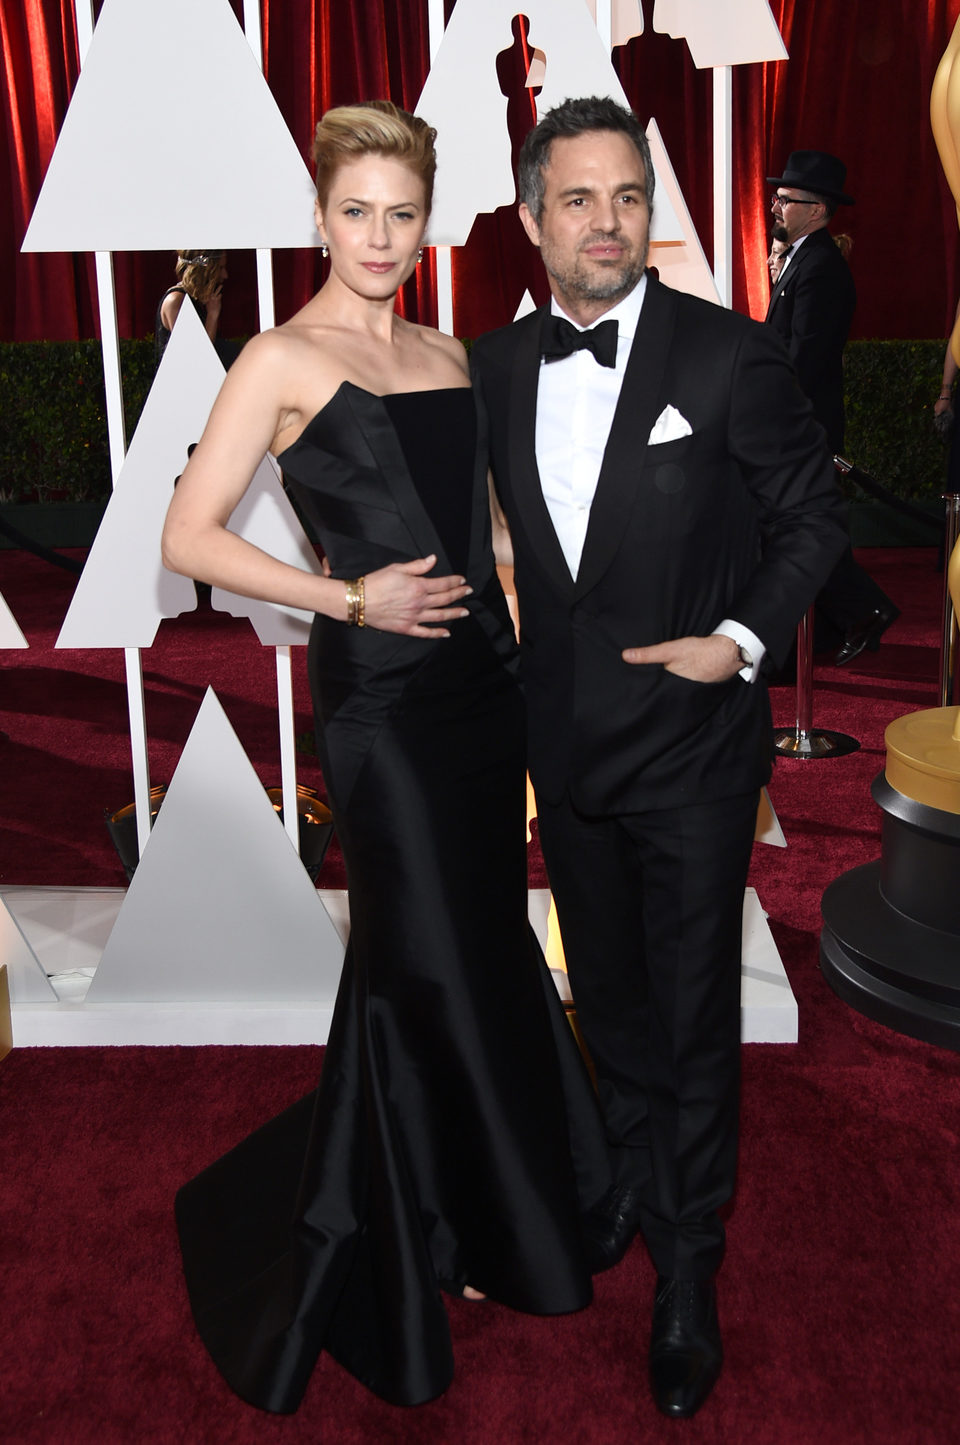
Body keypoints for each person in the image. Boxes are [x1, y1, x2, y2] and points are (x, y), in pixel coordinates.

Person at [161, 101, 611, 1414]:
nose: (377, 234)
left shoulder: (443, 348)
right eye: (354, 210)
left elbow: (482, 527)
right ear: (318, 216)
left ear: (430, 220)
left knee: (473, 945)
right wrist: (344, 598)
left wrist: (524, 601)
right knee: (422, 958)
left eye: (400, 213)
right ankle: (435, 1232)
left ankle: (480, 1203)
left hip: (485, 695)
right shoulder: (278, 360)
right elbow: (192, 535)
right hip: (382, 712)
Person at [471, 97, 847, 1419]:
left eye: (627, 194)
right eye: (577, 198)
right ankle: (625, 1181)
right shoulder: (500, 366)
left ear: (652, 207)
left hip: (692, 755)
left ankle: (691, 1269)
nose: (606, 220)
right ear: (532, 218)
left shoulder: (727, 356)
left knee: (693, 1025)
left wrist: (739, 639)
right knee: (612, 1002)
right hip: (566, 755)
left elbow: (813, 517)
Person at [765, 150, 899, 664]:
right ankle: (832, 626)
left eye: (786, 199)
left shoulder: (820, 267)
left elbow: (805, 358)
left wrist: (766, 406)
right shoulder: (804, 258)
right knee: (799, 528)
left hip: (804, 427)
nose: (775, 206)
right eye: (776, 197)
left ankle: (865, 609)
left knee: (801, 529)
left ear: (817, 210)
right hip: (798, 423)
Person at [155, 249, 227, 366]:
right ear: (205, 270)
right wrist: (212, 316)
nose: (225, 275)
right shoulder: (176, 301)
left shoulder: (197, 300)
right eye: (220, 268)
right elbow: (195, 356)